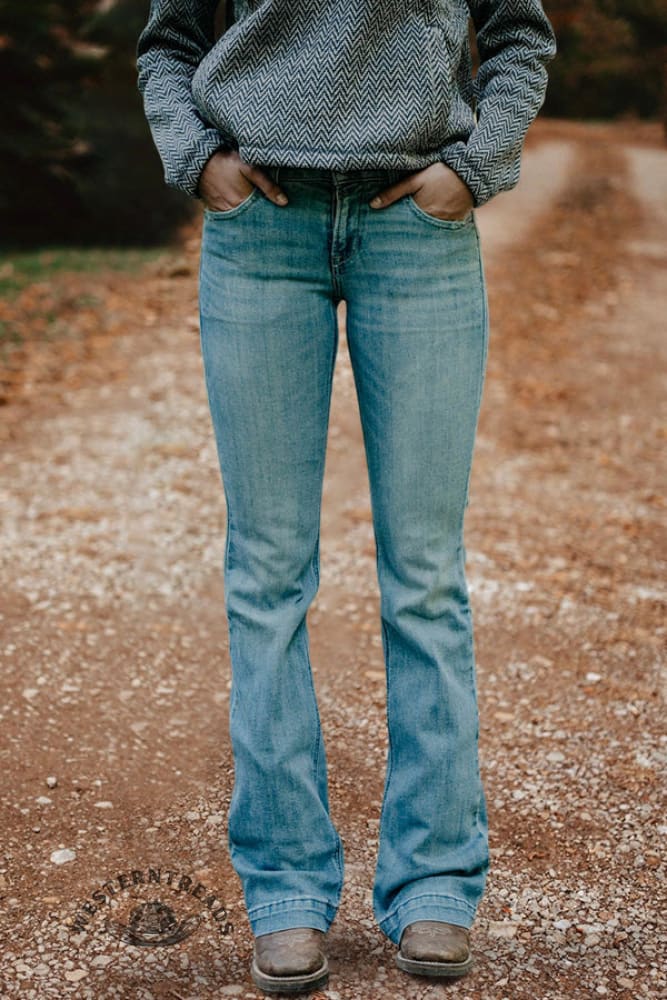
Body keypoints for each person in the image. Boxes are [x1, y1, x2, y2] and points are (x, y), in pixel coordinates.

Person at [136, 1, 556, 993]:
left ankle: (434, 886)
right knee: (268, 572)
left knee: (423, 572)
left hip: (417, 227)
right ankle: (284, 891)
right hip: (260, 227)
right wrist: (197, 157)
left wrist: (478, 164)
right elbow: (168, 43)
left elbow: (520, 36)